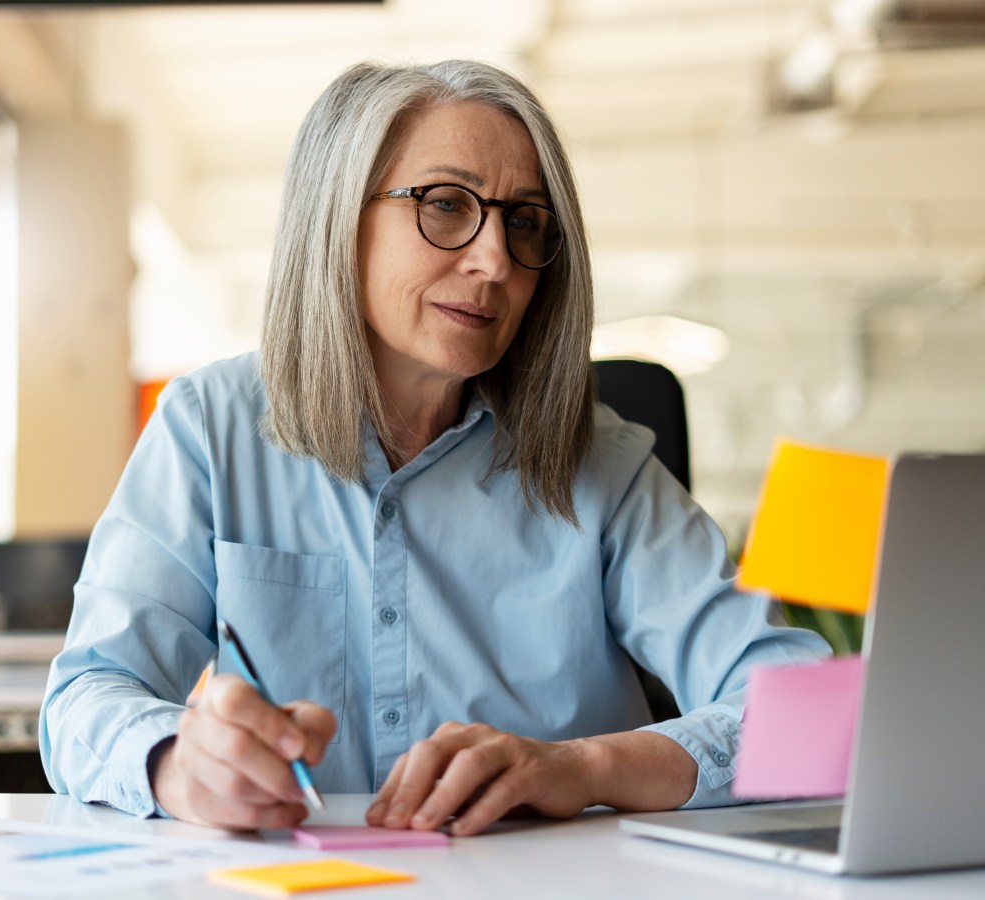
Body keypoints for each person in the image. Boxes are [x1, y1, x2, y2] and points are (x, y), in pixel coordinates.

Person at [41, 60, 829, 836]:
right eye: (446, 205)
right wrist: (181, 764)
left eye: (524, 221)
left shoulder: (605, 462)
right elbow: (87, 696)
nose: (495, 262)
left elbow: (808, 711)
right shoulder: (209, 427)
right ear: (337, 218)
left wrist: (582, 768)